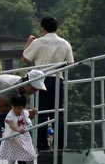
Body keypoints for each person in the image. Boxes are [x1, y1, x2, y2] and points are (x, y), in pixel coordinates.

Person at [23, 16, 74, 150]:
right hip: (58, 80)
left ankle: (42, 146)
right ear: (56, 28)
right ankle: (60, 146)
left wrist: (29, 43)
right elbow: (70, 64)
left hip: (41, 80)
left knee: (41, 114)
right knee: (58, 114)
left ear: (42, 28)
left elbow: (24, 59)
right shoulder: (65, 43)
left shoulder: (38, 42)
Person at [0, 94, 37, 164]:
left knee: (30, 152)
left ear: (23, 107)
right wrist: (19, 130)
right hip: (12, 139)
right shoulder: (10, 115)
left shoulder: (24, 113)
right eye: (14, 108)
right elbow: (12, 126)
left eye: (19, 108)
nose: (16, 110)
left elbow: (29, 116)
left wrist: (34, 112)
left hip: (23, 138)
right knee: (11, 160)